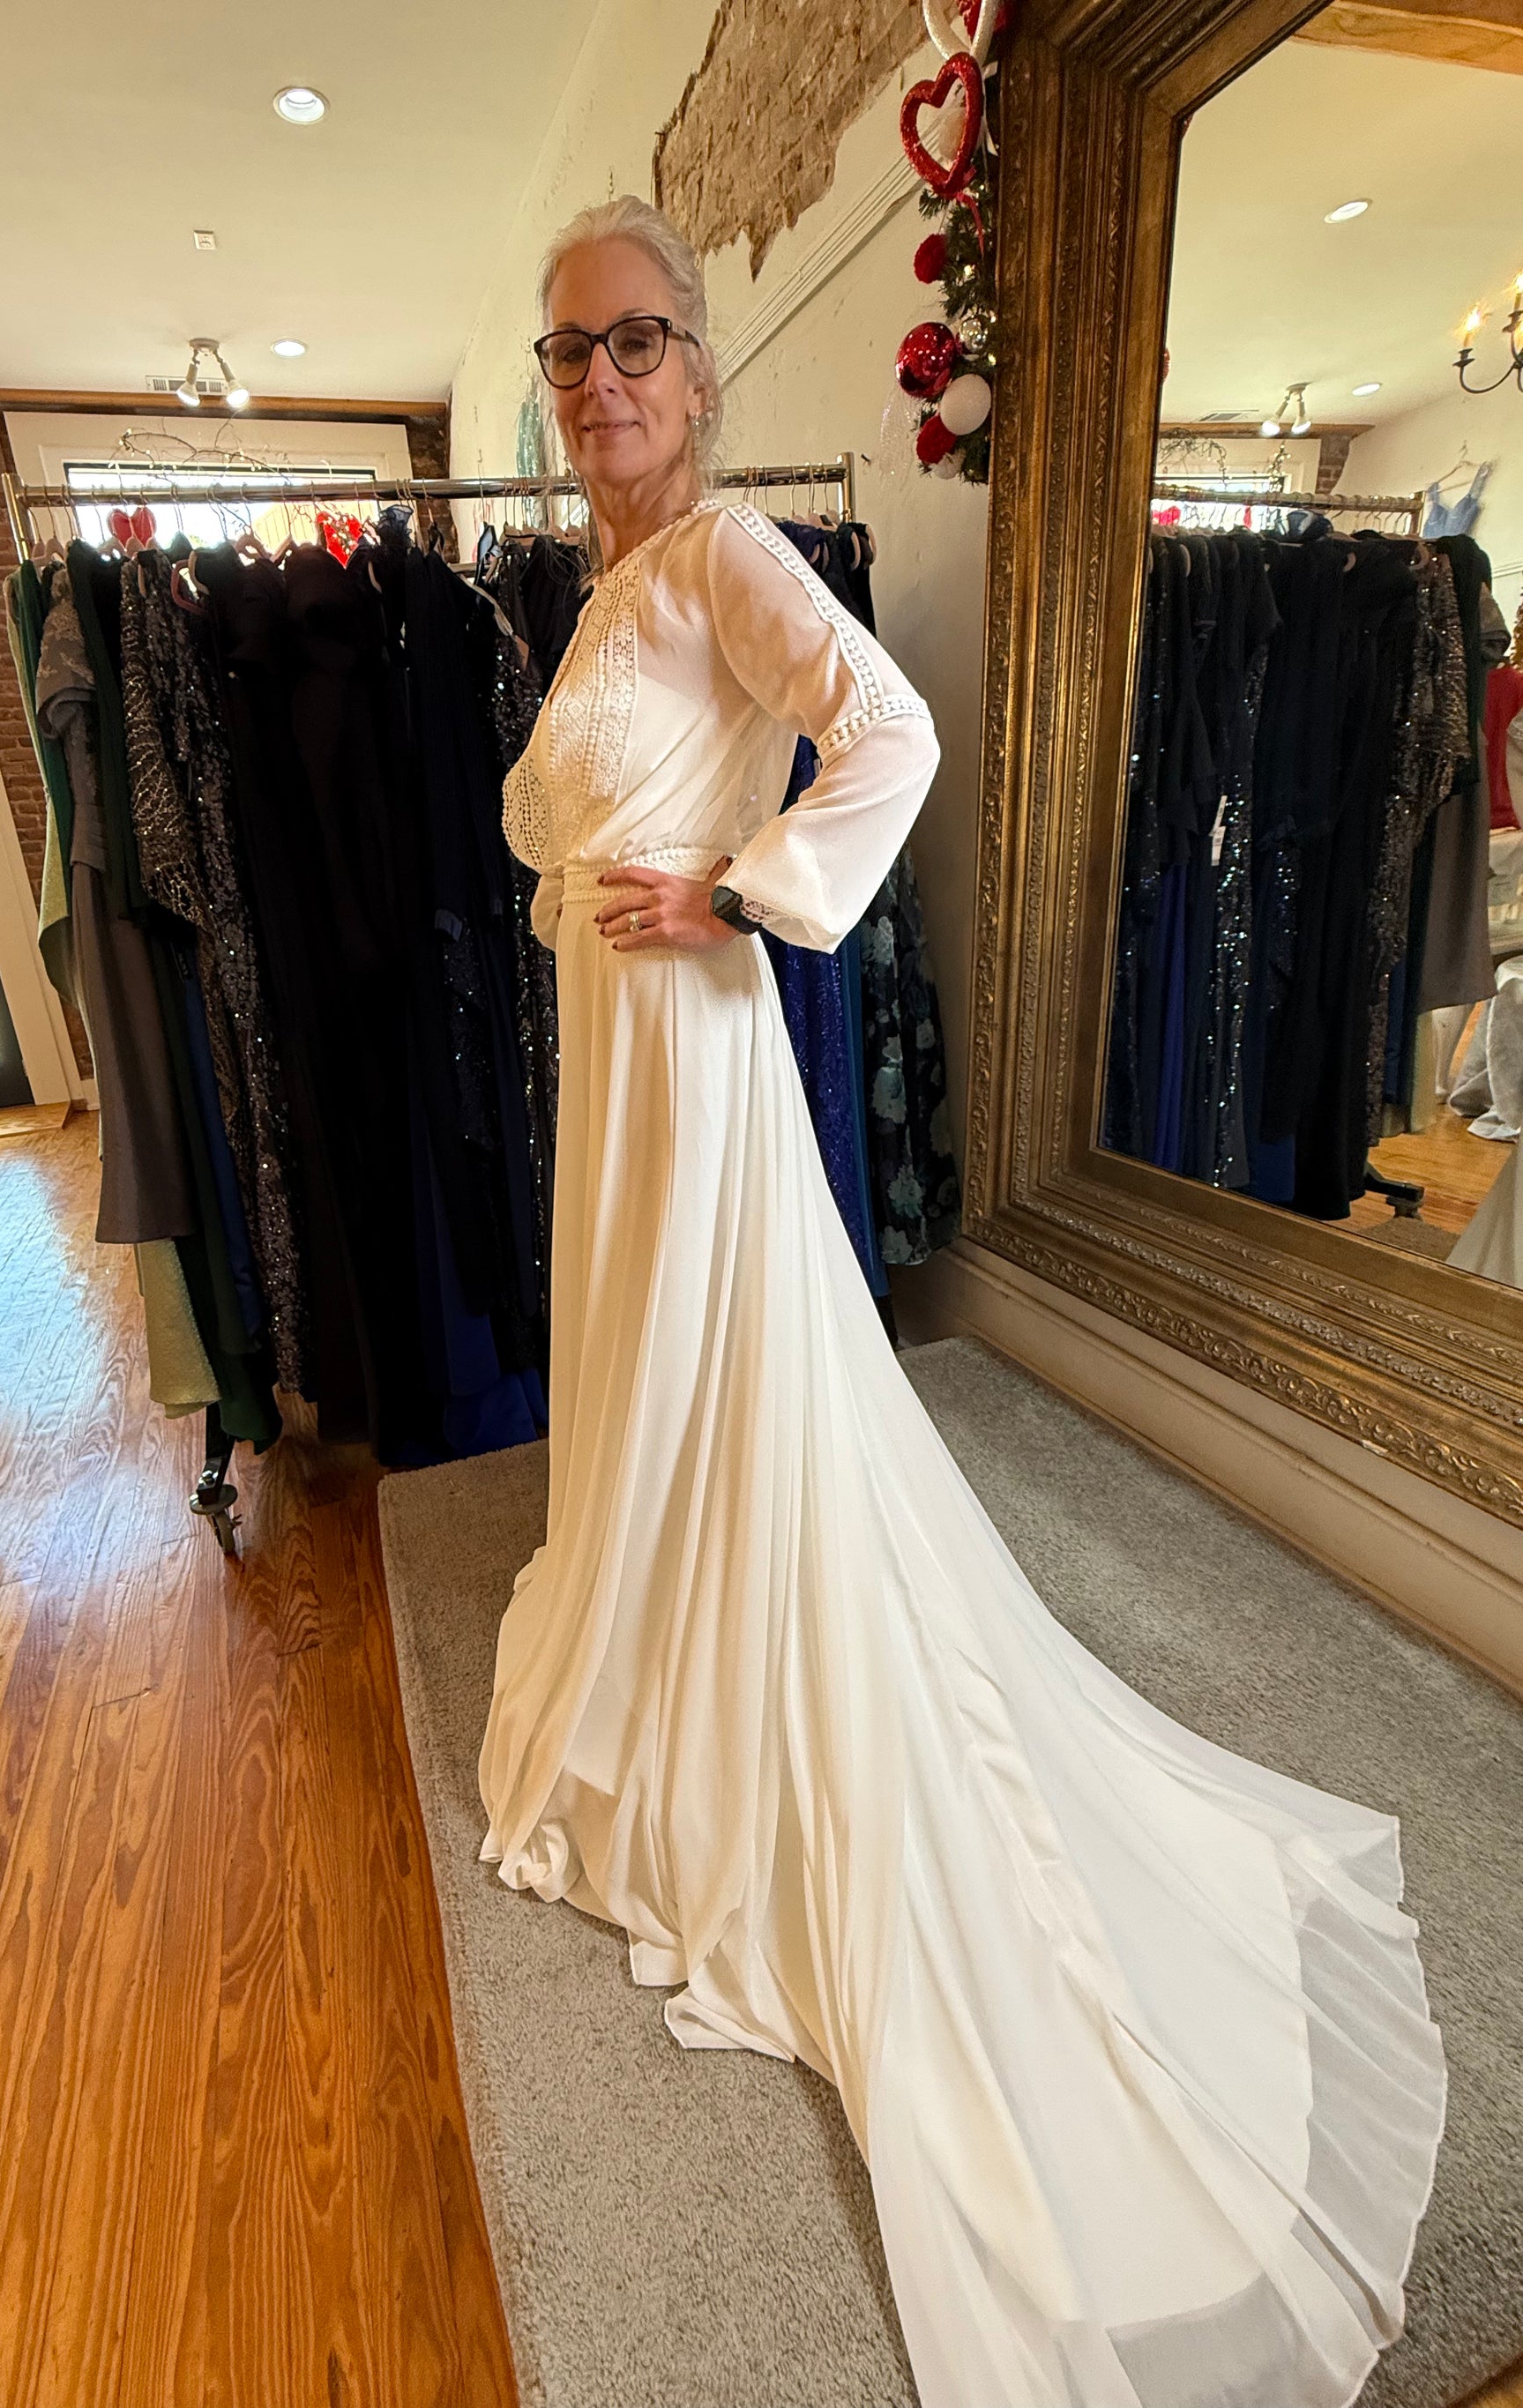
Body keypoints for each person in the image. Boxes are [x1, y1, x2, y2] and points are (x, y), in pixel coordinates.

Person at [478, 193, 1445, 2407]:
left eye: (636, 340)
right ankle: (662, 1594)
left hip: (696, 1054)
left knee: (745, 1394)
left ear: (699, 368)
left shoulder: (724, 556)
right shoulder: (615, 579)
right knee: (654, 1389)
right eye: (569, 354)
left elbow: (888, 733)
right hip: (625, 1077)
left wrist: (743, 880)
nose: (603, 380)